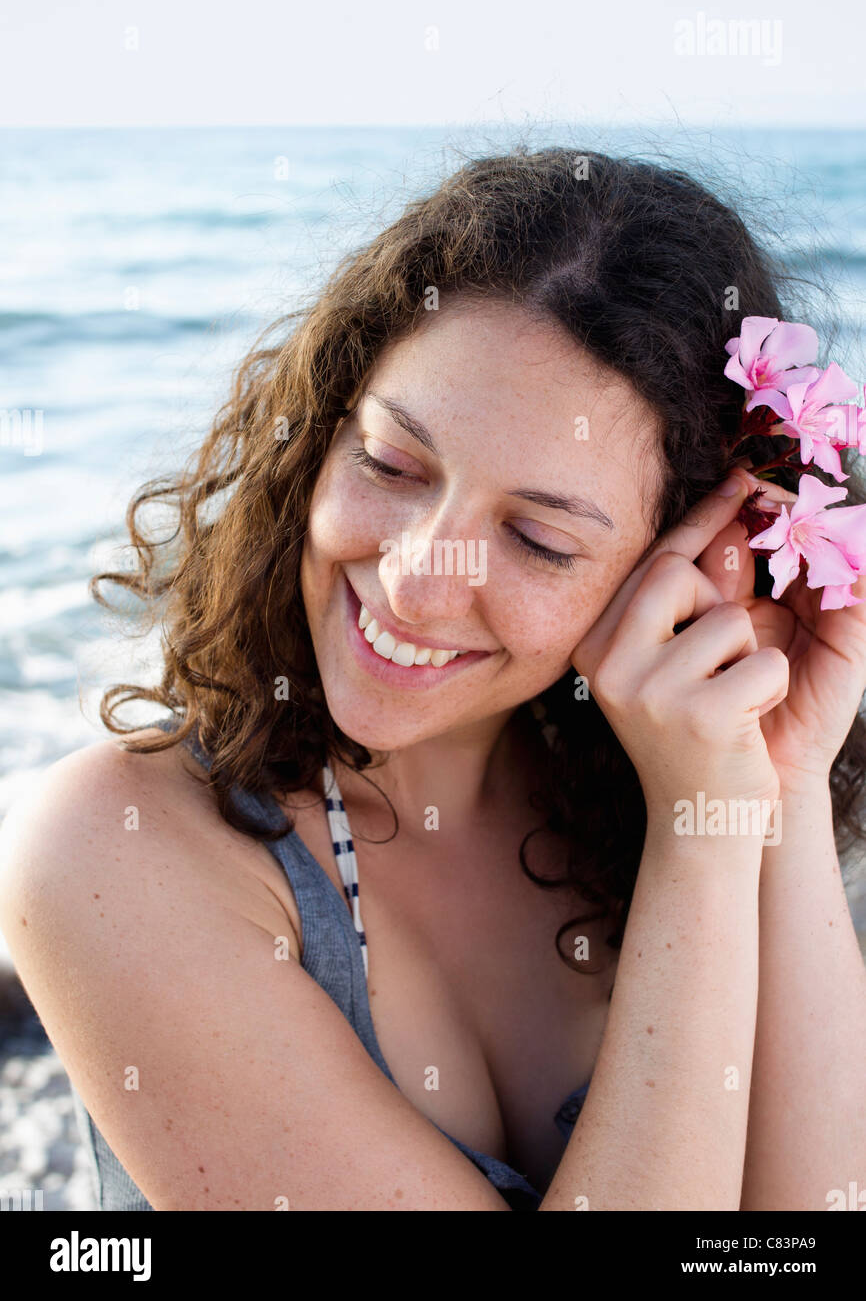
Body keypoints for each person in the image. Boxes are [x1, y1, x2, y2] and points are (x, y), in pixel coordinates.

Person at [1, 145, 865, 1211]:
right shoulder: (114, 846)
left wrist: (765, 788)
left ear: (673, 571)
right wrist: (702, 841)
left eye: (538, 540)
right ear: (320, 433)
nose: (413, 582)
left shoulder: (652, 794)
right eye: (391, 464)